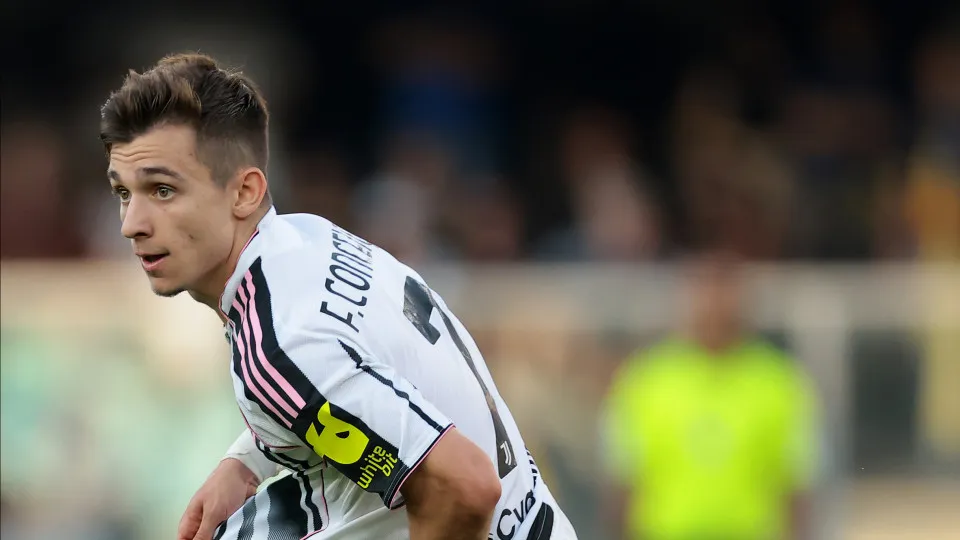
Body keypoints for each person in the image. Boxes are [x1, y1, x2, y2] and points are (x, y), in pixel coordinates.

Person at [99, 53, 577, 540]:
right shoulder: (307, 240)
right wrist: (247, 461)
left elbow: (466, 485)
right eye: (123, 193)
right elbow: (355, 385)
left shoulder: (283, 341)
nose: (131, 224)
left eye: (163, 190)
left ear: (244, 192)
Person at [600, 251, 821, 540]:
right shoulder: (646, 380)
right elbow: (623, 480)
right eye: (705, 292)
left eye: (724, 292)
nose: (714, 306)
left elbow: (797, 483)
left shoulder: (779, 383)